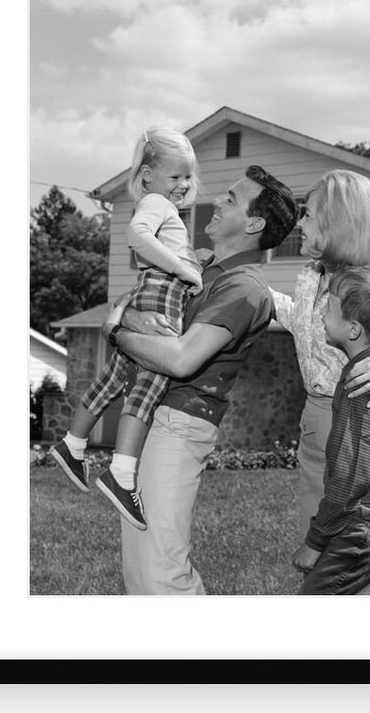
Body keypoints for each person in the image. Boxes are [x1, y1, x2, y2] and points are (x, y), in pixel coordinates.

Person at [110, 165, 298, 594]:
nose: (217, 200)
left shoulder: (245, 289)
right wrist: (132, 315)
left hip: (179, 424)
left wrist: (118, 331)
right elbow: (134, 303)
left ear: (254, 223)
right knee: (138, 572)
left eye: (231, 198)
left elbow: (180, 359)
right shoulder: (200, 266)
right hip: (147, 416)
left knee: (162, 574)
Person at [270, 169, 370, 594]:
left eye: (308, 215)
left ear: (338, 224)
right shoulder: (311, 277)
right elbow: (302, 324)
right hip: (315, 427)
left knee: (364, 561)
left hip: (361, 436)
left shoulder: (365, 291)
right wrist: (250, 290)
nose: (299, 223)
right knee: (325, 554)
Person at [50, 126, 204, 530]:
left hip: (149, 289)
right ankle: (121, 474)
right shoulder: (155, 202)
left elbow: (152, 251)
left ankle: (73, 444)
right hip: (162, 294)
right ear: (148, 174)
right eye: (175, 176)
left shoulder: (160, 205)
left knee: (117, 373)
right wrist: (182, 267)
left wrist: (190, 257)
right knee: (150, 382)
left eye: (187, 176)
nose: (184, 185)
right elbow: (137, 237)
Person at [292, 265, 370, 594]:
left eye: (328, 309)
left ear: (354, 329)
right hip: (369, 519)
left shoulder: (362, 385)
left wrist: (315, 542)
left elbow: (349, 476)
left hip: (365, 524)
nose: (320, 315)